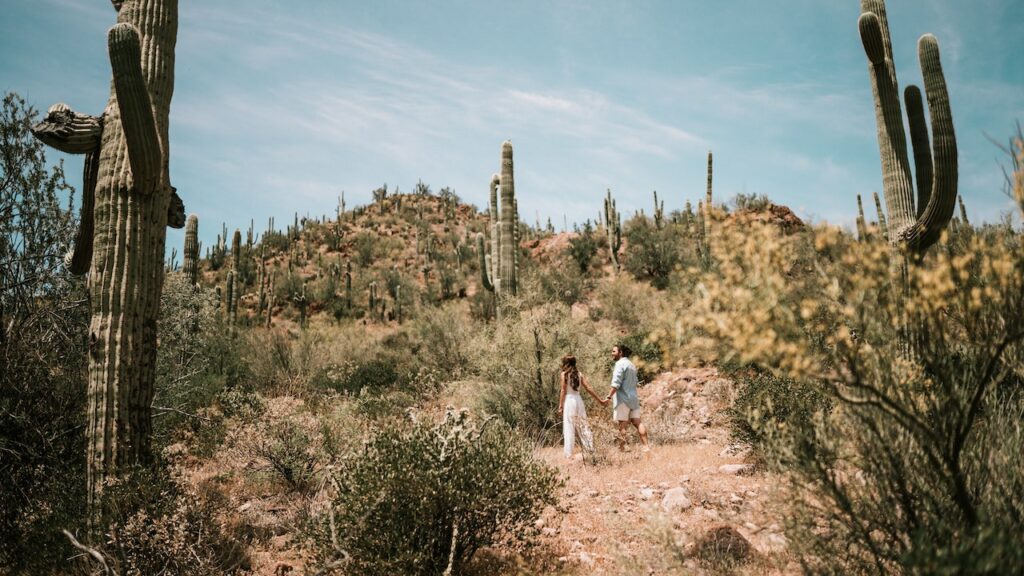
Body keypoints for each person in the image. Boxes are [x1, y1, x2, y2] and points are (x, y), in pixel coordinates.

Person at [603, 344, 650, 452]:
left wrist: (608, 397)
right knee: (638, 422)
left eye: (614, 351)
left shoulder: (620, 364)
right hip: (633, 398)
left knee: (622, 425)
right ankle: (646, 447)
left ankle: (622, 449)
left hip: (623, 399)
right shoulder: (632, 365)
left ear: (621, 353)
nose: (612, 353)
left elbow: (616, 383)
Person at [558, 355, 604, 461]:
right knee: (583, 425)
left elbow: (563, 391)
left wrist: (560, 406)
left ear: (566, 364)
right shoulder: (579, 374)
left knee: (569, 426)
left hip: (569, 401)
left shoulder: (564, 374)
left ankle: (568, 453)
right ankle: (590, 448)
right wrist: (600, 400)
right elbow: (588, 388)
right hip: (579, 400)